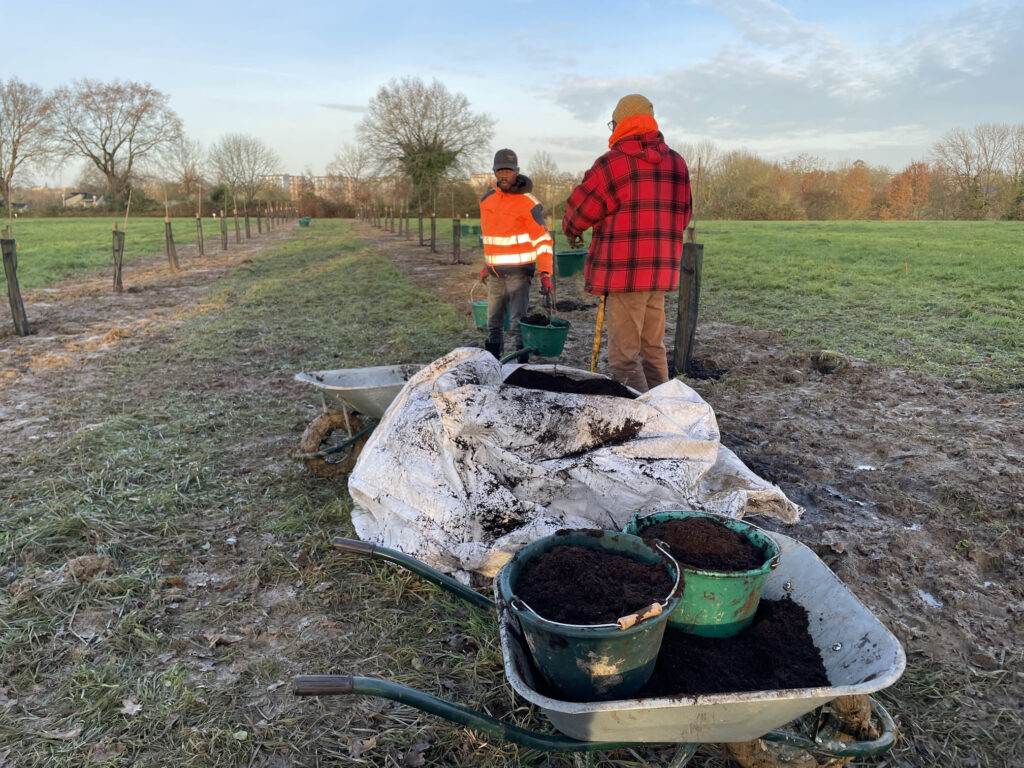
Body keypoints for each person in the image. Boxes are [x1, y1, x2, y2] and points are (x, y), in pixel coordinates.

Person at [562, 94, 691, 392]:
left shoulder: (613, 164)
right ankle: (666, 411)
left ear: (619, 124)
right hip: (660, 274)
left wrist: (572, 229)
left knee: (623, 358)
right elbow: (683, 216)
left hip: (625, 274)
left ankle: (640, 421)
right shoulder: (677, 163)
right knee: (653, 348)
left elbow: (579, 211)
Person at [478, 148, 554, 362]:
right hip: (495, 274)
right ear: (494, 172)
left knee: (517, 324)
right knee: (493, 323)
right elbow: (491, 238)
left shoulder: (529, 203)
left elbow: (543, 241)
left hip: (519, 274)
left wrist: (545, 272)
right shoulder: (486, 201)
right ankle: (493, 364)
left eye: (508, 171)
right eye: (500, 171)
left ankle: (522, 367)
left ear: (517, 171)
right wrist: (487, 265)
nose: (504, 175)